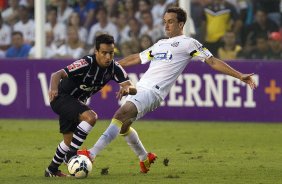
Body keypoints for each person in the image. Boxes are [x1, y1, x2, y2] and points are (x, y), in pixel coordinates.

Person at [78, 7, 257, 174]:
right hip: (139, 88)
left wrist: (239, 75)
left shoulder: (189, 44)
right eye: (165, 21)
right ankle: (144, 157)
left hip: (153, 92)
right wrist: (112, 65)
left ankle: (91, 154)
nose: (166, 25)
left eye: (170, 21)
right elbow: (137, 58)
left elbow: (212, 61)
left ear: (181, 24)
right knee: (123, 126)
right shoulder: (160, 44)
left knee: (120, 115)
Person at [44, 34, 137, 177]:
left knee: (68, 141)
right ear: (96, 52)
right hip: (61, 98)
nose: (108, 57)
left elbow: (132, 87)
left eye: (111, 53)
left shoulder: (114, 67)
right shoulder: (86, 62)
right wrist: (53, 89)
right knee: (91, 117)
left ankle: (51, 170)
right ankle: (71, 156)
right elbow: (56, 75)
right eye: (104, 53)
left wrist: (127, 89)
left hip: (76, 103)